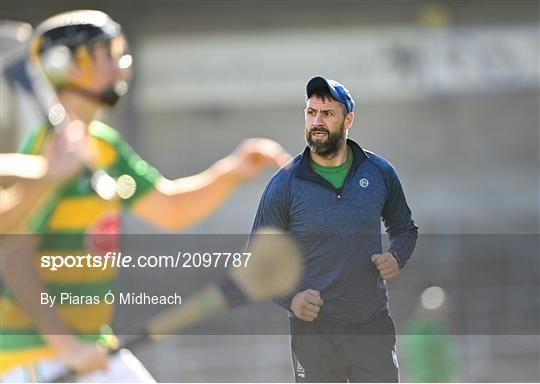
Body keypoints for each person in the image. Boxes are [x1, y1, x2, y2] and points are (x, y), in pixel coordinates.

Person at [0, 10, 290, 382]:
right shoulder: (46, 150)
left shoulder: (102, 146)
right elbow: (14, 255)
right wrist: (66, 348)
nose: (120, 67)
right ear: (68, 65)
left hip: (87, 346)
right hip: (36, 353)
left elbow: (169, 209)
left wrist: (230, 172)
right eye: (106, 54)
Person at [250, 76, 418, 382]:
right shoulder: (284, 184)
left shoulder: (379, 172)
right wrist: (292, 299)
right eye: (311, 112)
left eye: (327, 114)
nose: (317, 121)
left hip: (371, 325)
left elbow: (404, 228)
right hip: (314, 332)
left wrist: (397, 256)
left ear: (348, 119)